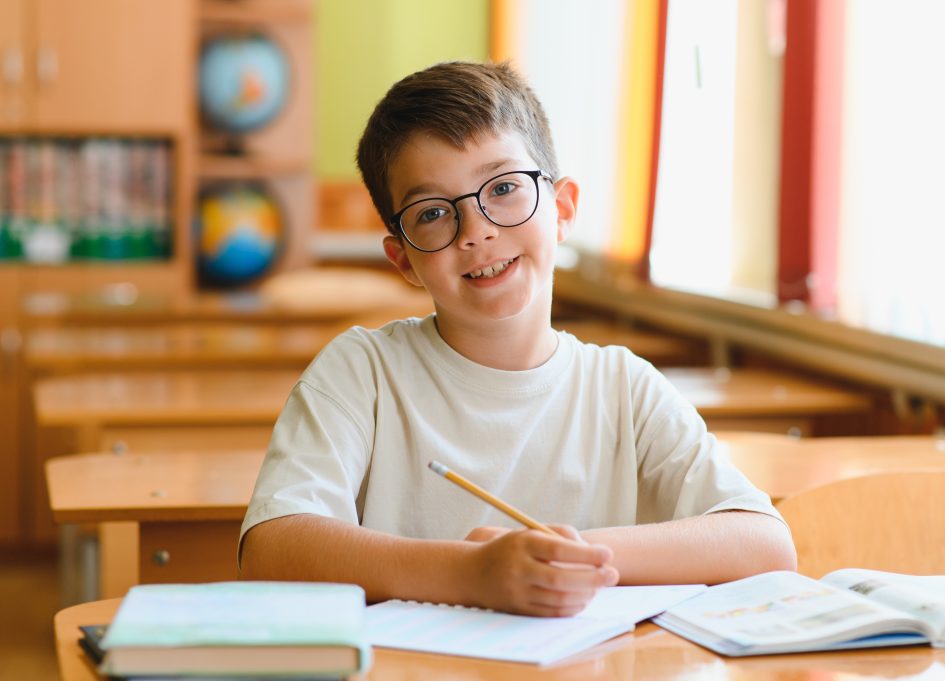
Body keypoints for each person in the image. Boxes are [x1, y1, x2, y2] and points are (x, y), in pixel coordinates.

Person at [239, 61, 796, 617]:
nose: (477, 230)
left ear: (562, 209)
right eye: (433, 213)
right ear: (403, 259)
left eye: (503, 188)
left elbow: (765, 545)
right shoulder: (362, 374)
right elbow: (271, 549)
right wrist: (469, 574)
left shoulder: (623, 388)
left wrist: (572, 558)